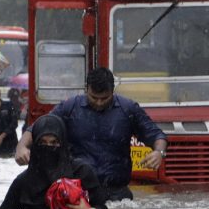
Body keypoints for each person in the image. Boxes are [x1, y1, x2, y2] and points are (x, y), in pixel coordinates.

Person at [14, 67, 168, 201]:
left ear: (112, 91)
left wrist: (159, 152)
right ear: (86, 89)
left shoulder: (128, 109)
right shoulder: (70, 107)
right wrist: (21, 147)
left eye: (104, 98)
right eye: (94, 98)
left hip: (117, 193)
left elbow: (157, 135)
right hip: (78, 192)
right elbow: (38, 128)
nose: (99, 103)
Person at [0, 115, 108, 209]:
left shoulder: (81, 172)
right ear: (35, 145)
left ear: (63, 143)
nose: (48, 148)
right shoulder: (24, 181)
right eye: (42, 143)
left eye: (54, 143)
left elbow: (102, 207)